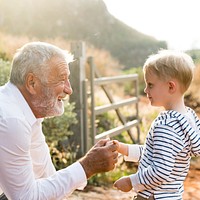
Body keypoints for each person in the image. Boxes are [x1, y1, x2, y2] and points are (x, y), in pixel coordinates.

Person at [0, 41, 118, 200]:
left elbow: (46, 177)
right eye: (62, 79)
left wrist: (88, 165)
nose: (69, 89)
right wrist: (87, 166)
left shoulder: (26, 112)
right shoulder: (12, 120)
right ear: (32, 83)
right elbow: (25, 197)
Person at [113, 50, 200, 200]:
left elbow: (160, 170)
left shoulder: (166, 125)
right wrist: (124, 148)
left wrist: (131, 181)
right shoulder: (188, 118)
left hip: (152, 196)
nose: (146, 90)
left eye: (151, 85)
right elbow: (154, 154)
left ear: (171, 87)